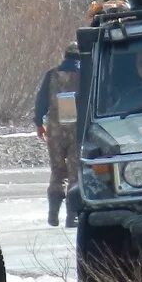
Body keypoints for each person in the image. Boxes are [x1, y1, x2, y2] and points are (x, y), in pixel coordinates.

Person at [34, 46, 83, 228]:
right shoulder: (85, 74)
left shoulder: (52, 75)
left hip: (54, 129)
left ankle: (53, 214)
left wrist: (39, 123)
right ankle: (72, 217)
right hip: (77, 131)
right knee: (75, 174)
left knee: (57, 172)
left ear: (65, 56)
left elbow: (41, 101)